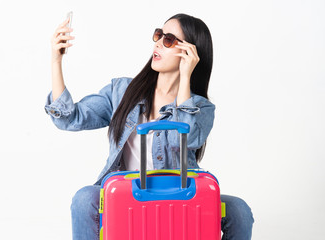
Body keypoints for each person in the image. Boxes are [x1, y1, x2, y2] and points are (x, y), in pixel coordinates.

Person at [45, 13, 254, 240]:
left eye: (169, 40)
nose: (157, 42)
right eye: (158, 35)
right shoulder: (122, 91)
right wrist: (56, 60)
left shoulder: (200, 107)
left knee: (238, 210)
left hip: (177, 191)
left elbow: (185, 139)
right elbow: (69, 118)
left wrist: (185, 79)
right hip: (127, 192)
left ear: (190, 53)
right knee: (85, 198)